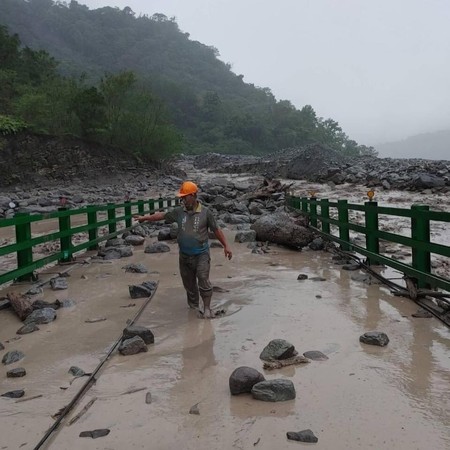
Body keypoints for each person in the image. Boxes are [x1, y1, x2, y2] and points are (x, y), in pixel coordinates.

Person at [134, 181, 232, 318]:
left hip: (201, 254)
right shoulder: (179, 212)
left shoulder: (205, 213)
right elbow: (162, 215)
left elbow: (216, 230)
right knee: (189, 284)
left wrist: (226, 245)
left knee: (203, 279)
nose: (183, 200)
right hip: (184, 256)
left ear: (193, 195)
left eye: (185, 197)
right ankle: (193, 307)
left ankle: (207, 308)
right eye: (181, 198)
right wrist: (145, 218)